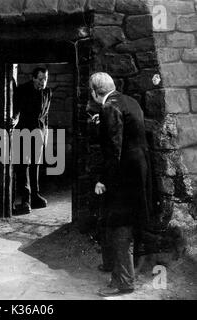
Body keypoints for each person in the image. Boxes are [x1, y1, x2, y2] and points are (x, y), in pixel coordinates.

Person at [89, 72, 153, 297]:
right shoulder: (130, 101)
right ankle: (117, 269)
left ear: (95, 92)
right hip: (139, 172)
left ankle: (124, 281)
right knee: (128, 222)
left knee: (120, 226)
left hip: (122, 176)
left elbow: (114, 150)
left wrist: (103, 180)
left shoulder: (109, 108)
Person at [10, 67, 52, 215]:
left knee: (36, 164)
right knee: (23, 165)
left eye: (45, 79)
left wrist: (45, 134)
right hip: (24, 131)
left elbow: (45, 116)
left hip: (39, 132)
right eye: (40, 79)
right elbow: (16, 109)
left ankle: (35, 196)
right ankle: (25, 200)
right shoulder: (23, 89)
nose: (43, 82)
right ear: (33, 78)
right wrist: (15, 118)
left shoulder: (47, 92)